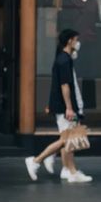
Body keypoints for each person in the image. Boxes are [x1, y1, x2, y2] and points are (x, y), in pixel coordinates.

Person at [25, 29, 92, 183]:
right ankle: (37, 160)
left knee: (69, 139)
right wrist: (69, 107)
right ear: (69, 41)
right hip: (65, 108)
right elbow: (64, 86)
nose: (78, 42)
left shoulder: (64, 59)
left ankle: (69, 170)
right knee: (66, 139)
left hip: (64, 106)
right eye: (76, 39)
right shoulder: (64, 60)